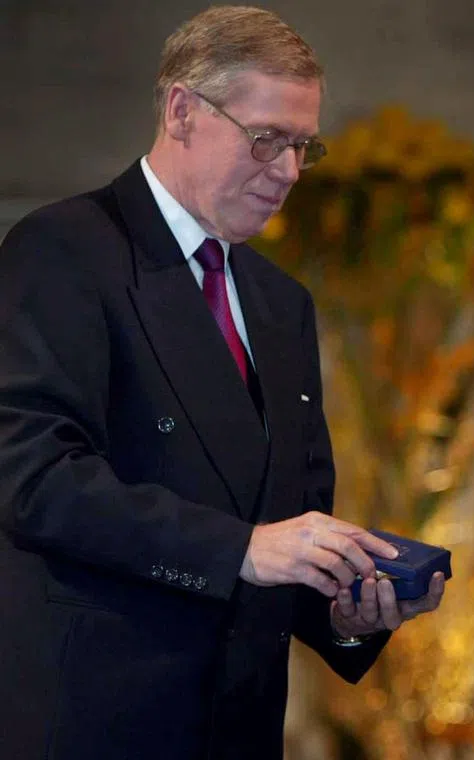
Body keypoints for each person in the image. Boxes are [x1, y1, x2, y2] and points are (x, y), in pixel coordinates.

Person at [0, 7, 445, 759]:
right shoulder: (62, 250)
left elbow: (288, 528)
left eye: (304, 147)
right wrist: (243, 548)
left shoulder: (280, 304)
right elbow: (32, 479)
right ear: (181, 111)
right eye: (267, 139)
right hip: (96, 727)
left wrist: (346, 613)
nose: (290, 172)